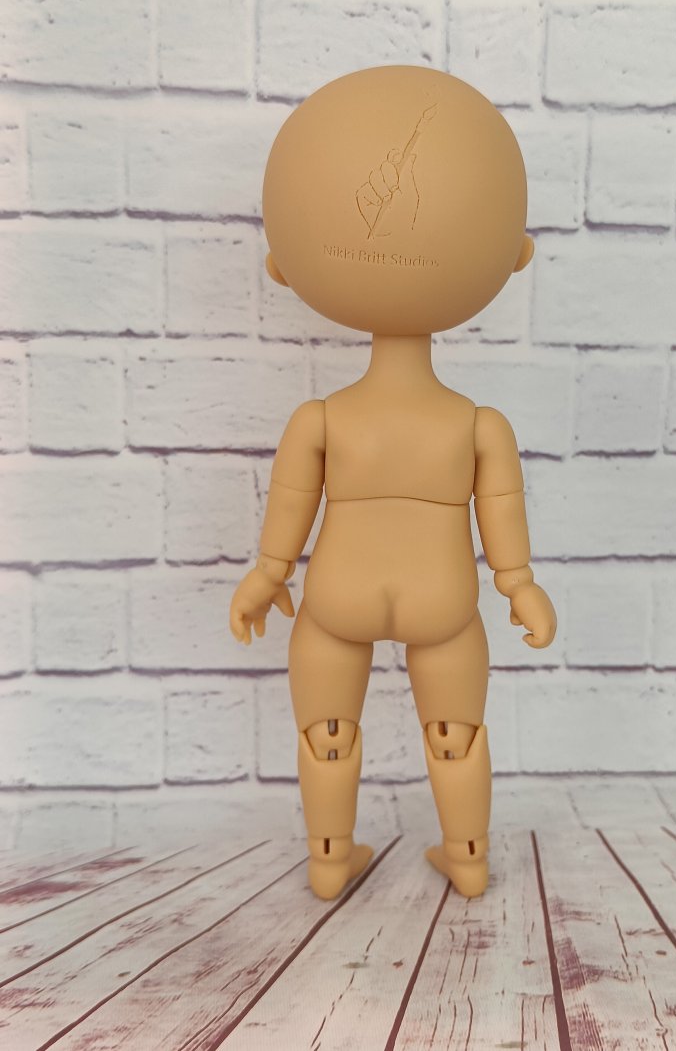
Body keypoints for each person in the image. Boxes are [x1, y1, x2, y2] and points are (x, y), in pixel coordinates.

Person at [229, 65, 557, 900]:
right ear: (515, 256)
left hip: (336, 593)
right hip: (443, 598)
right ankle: (469, 856)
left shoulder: (322, 419)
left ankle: (329, 858)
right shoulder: (478, 424)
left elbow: (289, 513)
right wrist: (519, 586)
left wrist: (267, 574)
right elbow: (502, 525)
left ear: (281, 265)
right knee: (455, 732)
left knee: (328, 730)